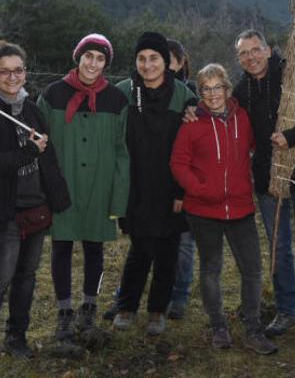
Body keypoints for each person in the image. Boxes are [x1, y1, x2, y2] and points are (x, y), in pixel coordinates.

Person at [0, 41, 71, 378]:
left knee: (26, 278)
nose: (13, 77)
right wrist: (28, 151)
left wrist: (57, 197)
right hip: (2, 213)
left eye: (19, 70)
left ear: (26, 72)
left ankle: (17, 337)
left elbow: (48, 157)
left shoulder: (33, 110)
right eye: (5, 71)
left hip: (35, 209)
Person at [232, 29, 295, 356]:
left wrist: (292, 136)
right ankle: (287, 308)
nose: (251, 57)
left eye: (255, 49)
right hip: (266, 181)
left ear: (268, 49)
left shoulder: (294, 74)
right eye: (244, 53)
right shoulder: (241, 90)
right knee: (279, 249)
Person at [170, 63, 277, 355]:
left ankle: (253, 327)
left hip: (241, 208)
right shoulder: (192, 125)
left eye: (218, 87)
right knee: (210, 269)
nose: (213, 94)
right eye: (206, 89)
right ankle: (218, 325)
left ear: (227, 89)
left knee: (252, 270)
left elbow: (256, 146)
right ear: (200, 92)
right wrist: (200, 189)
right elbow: (178, 164)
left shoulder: (243, 118)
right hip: (203, 211)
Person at [37, 33, 130, 345]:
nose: (93, 63)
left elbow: (122, 151)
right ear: (78, 57)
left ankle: (90, 303)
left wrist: (118, 197)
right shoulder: (51, 96)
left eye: (100, 58)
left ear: (106, 63)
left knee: (95, 249)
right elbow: (41, 145)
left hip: (100, 190)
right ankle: (64, 309)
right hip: (62, 187)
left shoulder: (117, 101)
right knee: (61, 246)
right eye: (88, 56)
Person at [110, 32, 197, 335]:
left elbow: (194, 145)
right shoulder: (123, 92)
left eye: (154, 58)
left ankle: (158, 310)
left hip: (172, 187)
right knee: (141, 247)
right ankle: (126, 306)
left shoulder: (183, 95)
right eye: (142, 59)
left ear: (166, 62)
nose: (148, 65)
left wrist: (184, 190)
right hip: (135, 185)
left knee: (168, 250)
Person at [166, 38, 198, 320]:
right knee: (150, 241)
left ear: (181, 62)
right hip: (154, 181)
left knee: (185, 242)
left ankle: (180, 295)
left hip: (184, 181)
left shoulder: (191, 95)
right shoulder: (142, 93)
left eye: (170, 60)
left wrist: (183, 190)